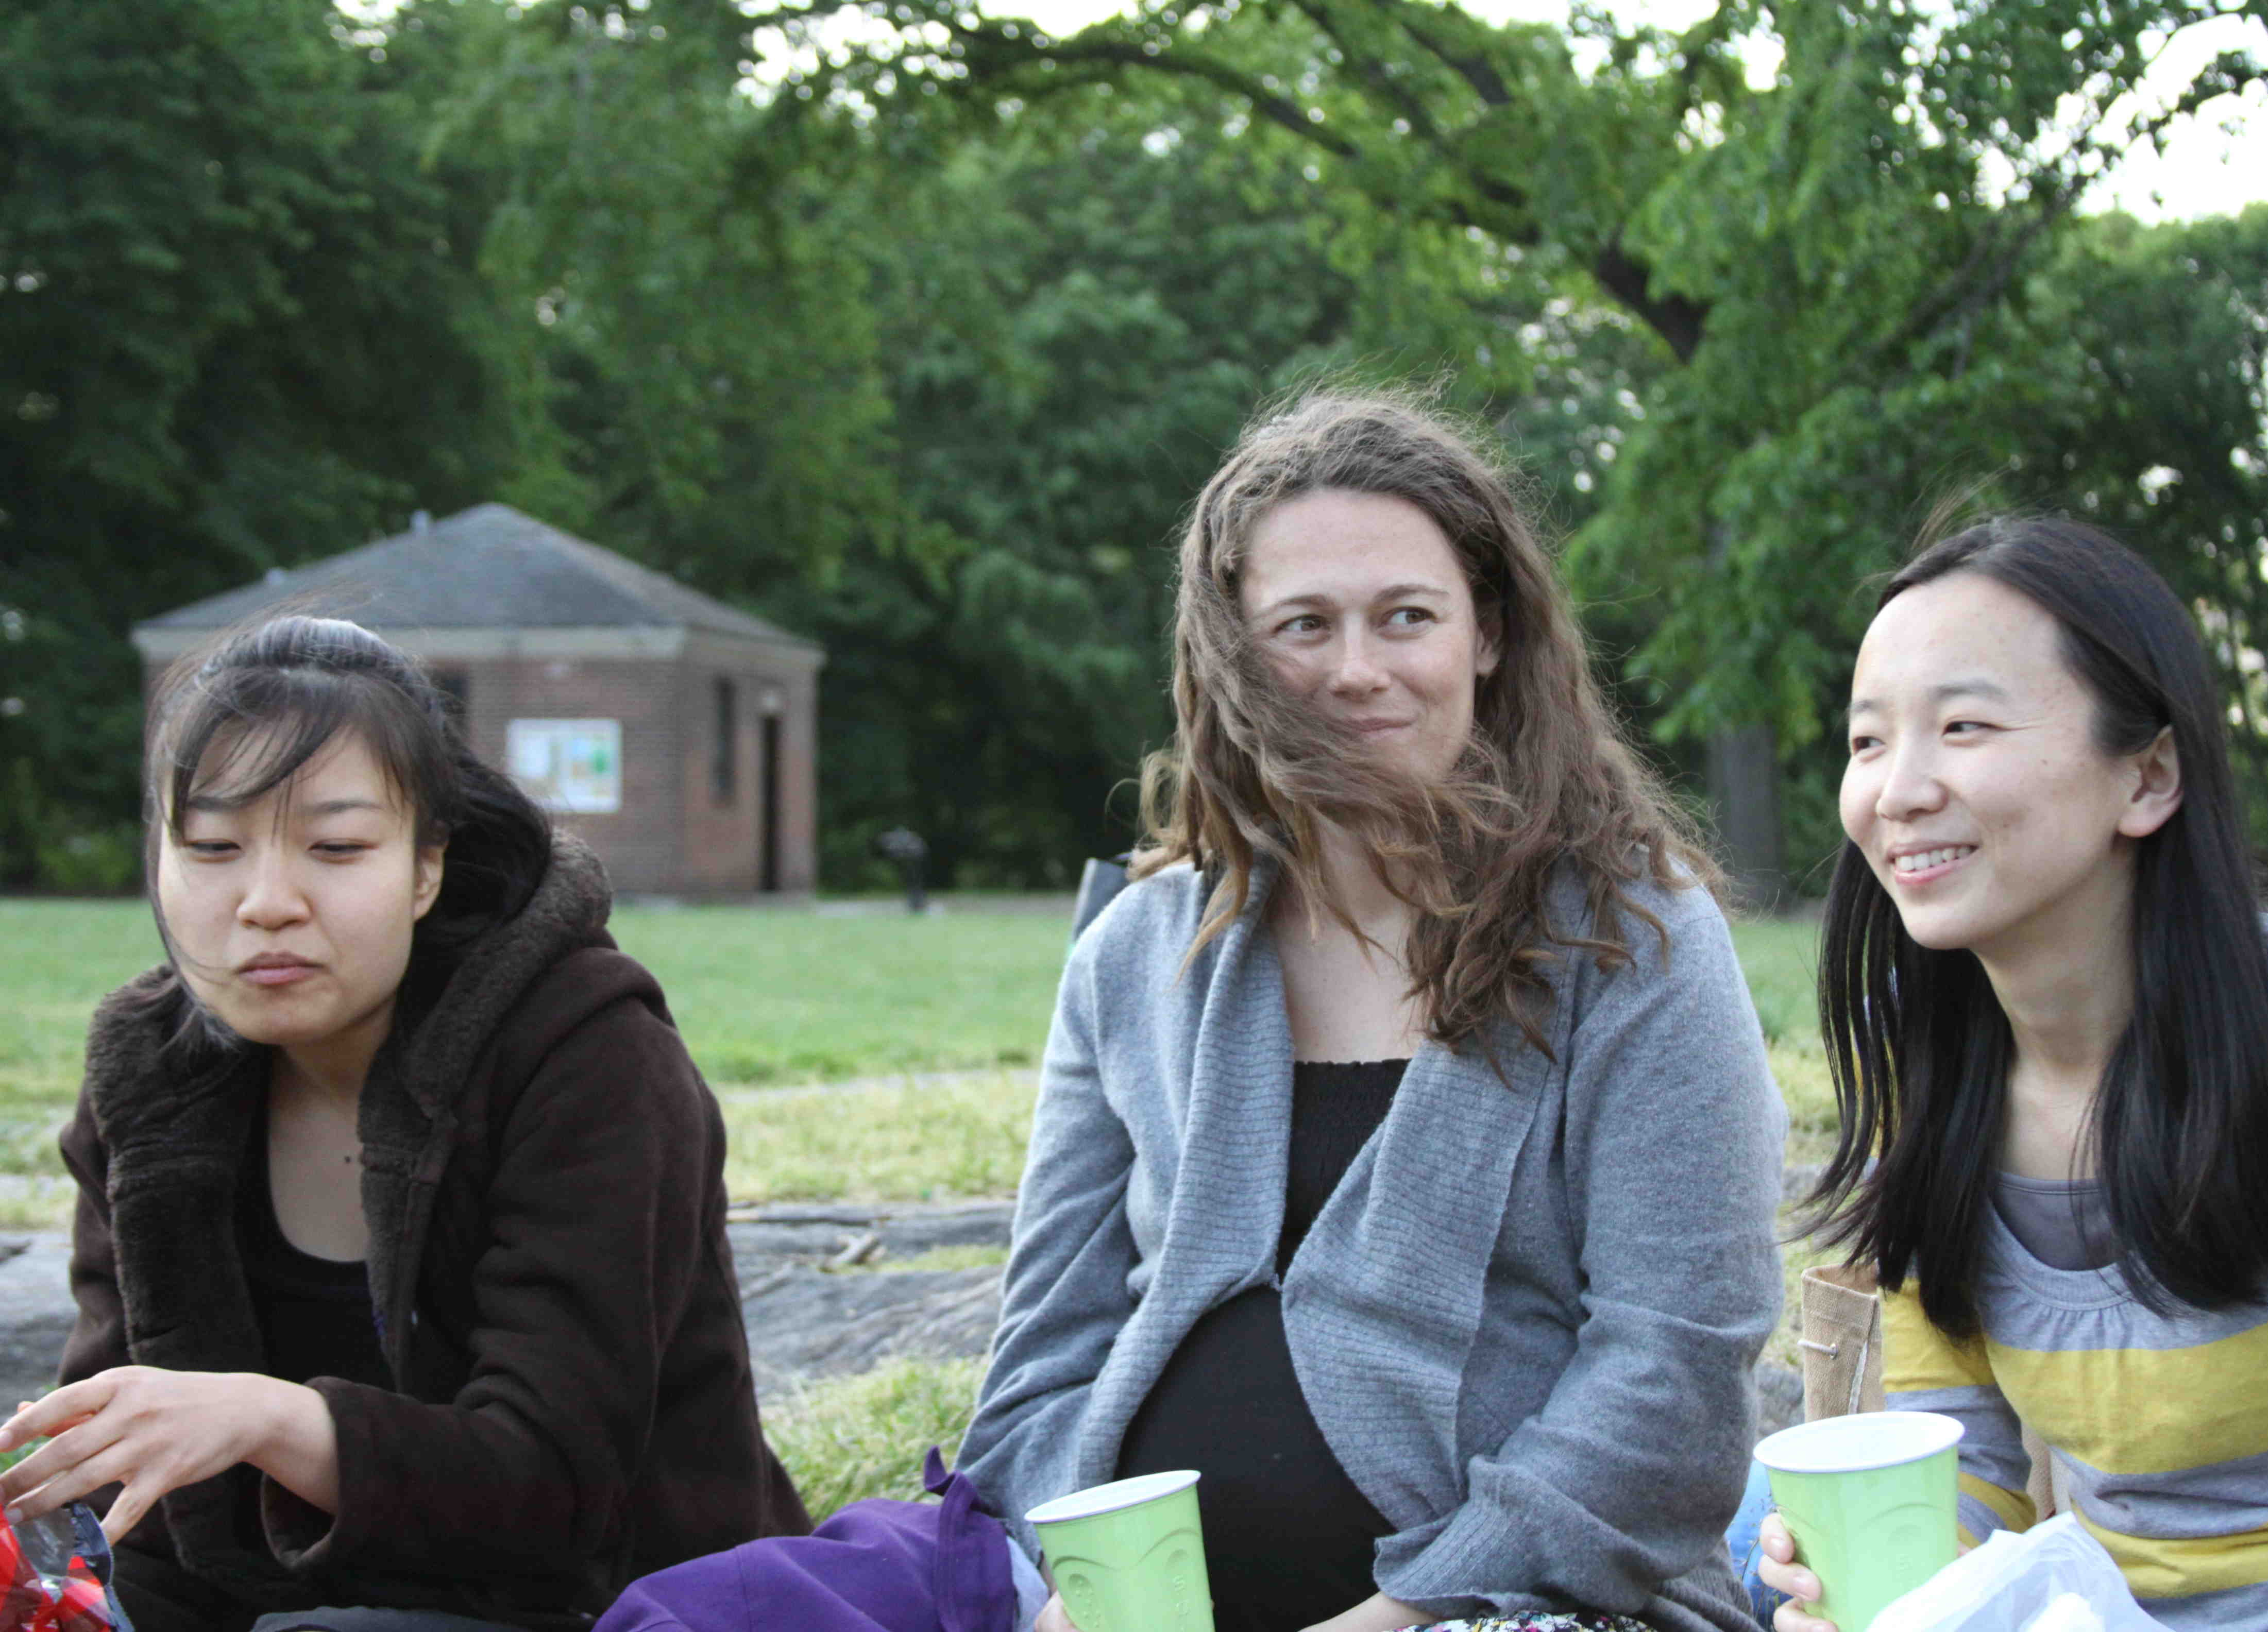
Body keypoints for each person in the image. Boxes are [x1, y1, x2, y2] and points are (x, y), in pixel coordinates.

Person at [958, 389, 1788, 1632]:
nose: (1356, 672)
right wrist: (1079, 1588)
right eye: (1304, 625)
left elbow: (1672, 1380)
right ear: (1232, 654)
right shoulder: (1134, 957)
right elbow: (1038, 1373)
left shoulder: (1635, 941)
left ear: (1487, 635)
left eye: (1407, 616)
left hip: (1527, 1612)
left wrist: (1398, 1618)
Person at [0, 616, 809, 1632]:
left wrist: (269, 1419)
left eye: (337, 848)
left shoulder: (589, 1059)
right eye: (212, 847)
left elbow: (560, 1492)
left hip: (615, 1601)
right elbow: (140, 1521)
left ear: (428, 866)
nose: (266, 902)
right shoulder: (149, 1081)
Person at [1758, 517, 2268, 1630]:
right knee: (1759, 1545)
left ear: (2149, 775)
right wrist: (1886, 1594)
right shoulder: (1930, 1074)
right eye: (1869, 740)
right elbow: (1964, 1474)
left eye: (1963, 726)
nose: (1898, 791)